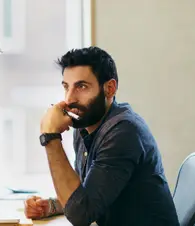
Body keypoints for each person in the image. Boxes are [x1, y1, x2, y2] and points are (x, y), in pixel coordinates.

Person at [24, 47, 179, 226]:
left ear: (109, 88)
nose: (69, 99)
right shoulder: (84, 126)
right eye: (66, 86)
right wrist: (50, 206)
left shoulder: (123, 131)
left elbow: (81, 215)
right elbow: (88, 195)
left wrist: (50, 137)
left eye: (81, 86)